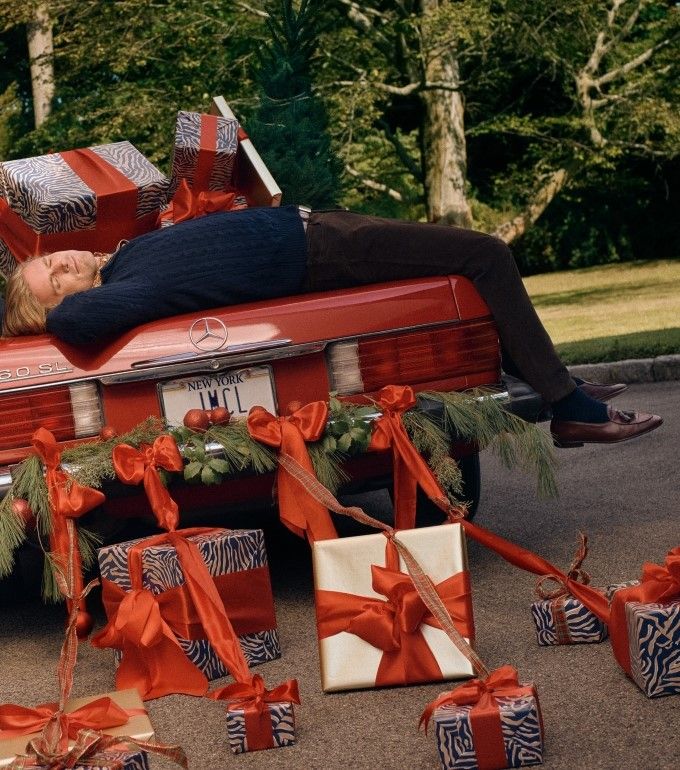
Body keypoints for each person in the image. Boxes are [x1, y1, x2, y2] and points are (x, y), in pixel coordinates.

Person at [1, 205, 662, 446]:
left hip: (319, 229)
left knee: (464, 279)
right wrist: (56, 310)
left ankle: (553, 380)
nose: (60, 264)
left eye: (51, 261)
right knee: (483, 253)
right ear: (61, 305)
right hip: (321, 252)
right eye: (52, 281)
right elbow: (79, 325)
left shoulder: (126, 257)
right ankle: (569, 407)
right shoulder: (112, 294)